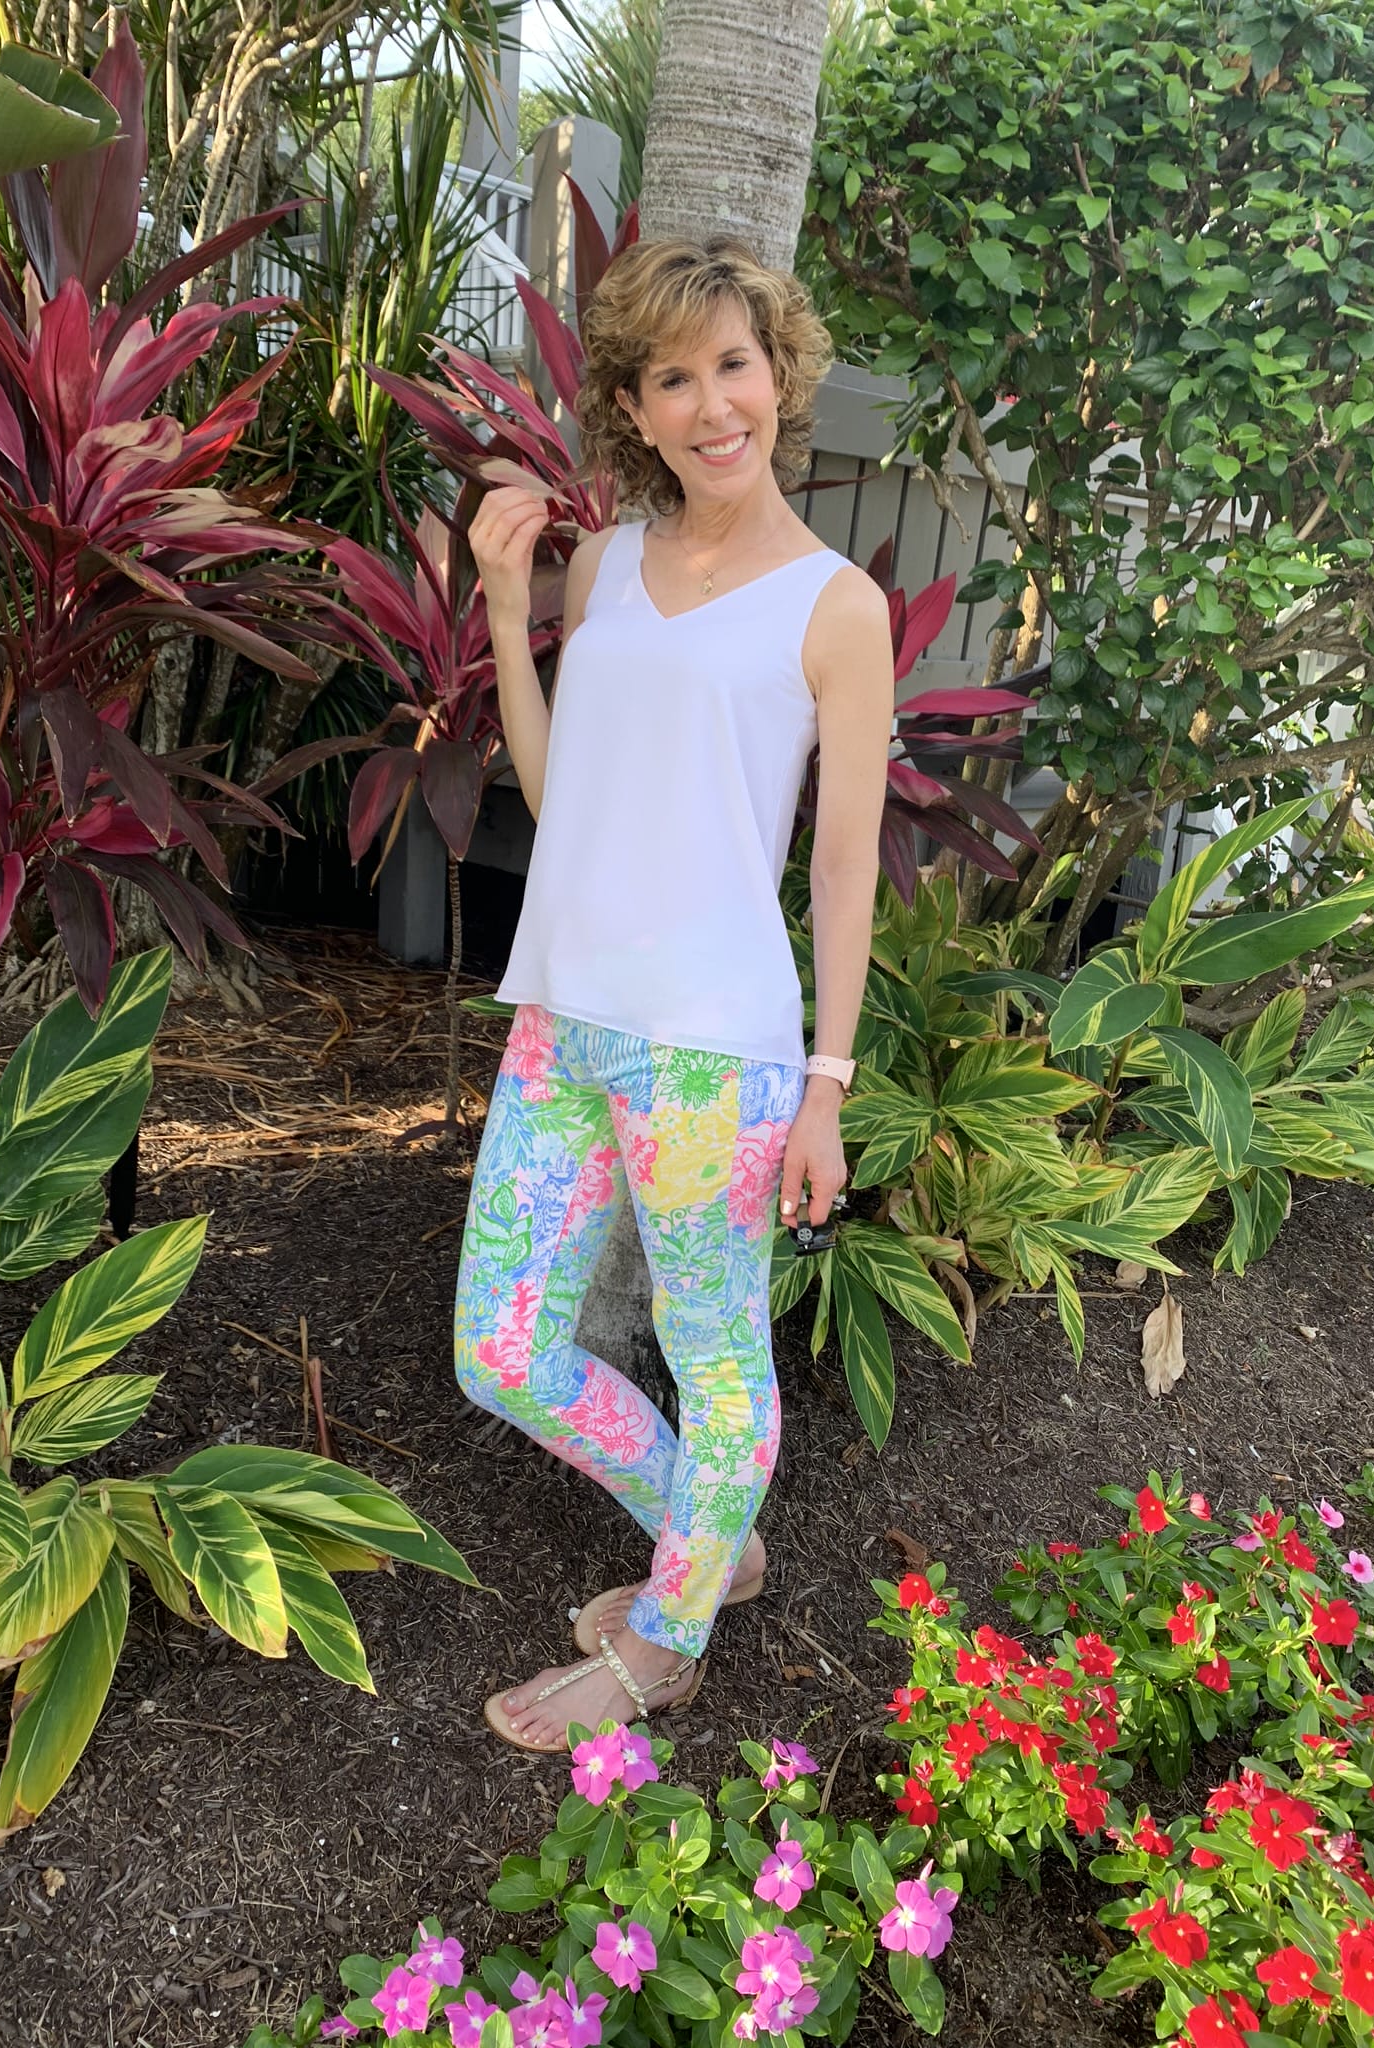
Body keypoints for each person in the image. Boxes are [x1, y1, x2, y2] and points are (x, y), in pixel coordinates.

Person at [456, 236, 894, 1752]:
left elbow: (843, 870)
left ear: (781, 374)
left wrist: (830, 1086)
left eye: (735, 364)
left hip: (716, 1059)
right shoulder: (609, 563)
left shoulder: (836, 608)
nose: (713, 404)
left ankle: (666, 1642)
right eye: (672, 378)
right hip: (561, 1020)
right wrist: (511, 610)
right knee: (499, 1349)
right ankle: (712, 1542)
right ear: (634, 410)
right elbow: (562, 789)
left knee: (723, 1371)